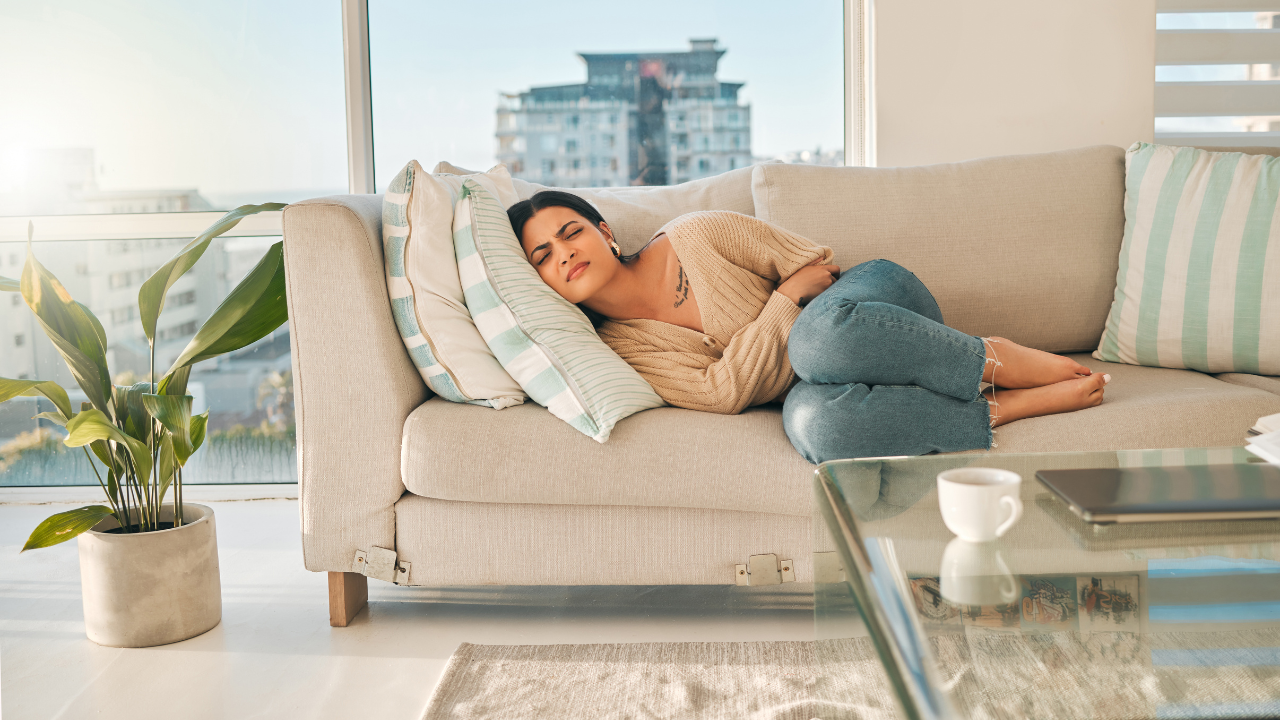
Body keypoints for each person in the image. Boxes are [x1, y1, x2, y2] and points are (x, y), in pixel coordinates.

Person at [507, 190, 1108, 463]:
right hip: (805, 386)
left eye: (571, 232)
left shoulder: (695, 233)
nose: (563, 253)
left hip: (871, 306)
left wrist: (792, 309)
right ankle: (1003, 408)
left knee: (817, 339)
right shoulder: (620, 348)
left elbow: (812, 268)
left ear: (603, 231)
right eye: (542, 256)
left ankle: (990, 359)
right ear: (543, 282)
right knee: (821, 431)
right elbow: (724, 393)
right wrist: (782, 303)